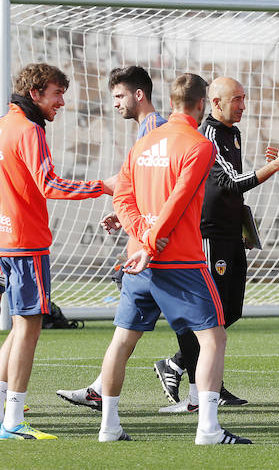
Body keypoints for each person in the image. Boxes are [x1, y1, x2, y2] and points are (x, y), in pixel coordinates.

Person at [97, 73, 250, 444]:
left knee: (122, 341)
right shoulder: (199, 144)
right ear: (201, 105)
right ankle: (208, 429)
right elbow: (178, 202)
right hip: (177, 260)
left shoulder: (144, 142)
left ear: (171, 102)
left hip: (140, 260)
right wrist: (151, 243)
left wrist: (139, 234)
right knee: (213, 339)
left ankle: (108, 427)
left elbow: (122, 197)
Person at [153, 77, 279, 412]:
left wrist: (268, 165)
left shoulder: (232, 133)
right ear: (214, 102)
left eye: (244, 98)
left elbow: (232, 184)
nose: (243, 105)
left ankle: (176, 363)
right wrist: (275, 166)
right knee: (209, 315)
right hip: (208, 236)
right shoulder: (206, 135)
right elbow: (230, 184)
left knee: (230, 309)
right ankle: (207, 388)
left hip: (232, 233)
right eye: (236, 99)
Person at [0, 63, 113, 440]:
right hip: (25, 244)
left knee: (18, 327)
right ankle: (13, 420)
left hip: (4, 240)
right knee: (29, 327)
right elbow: (50, 185)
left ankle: (6, 411)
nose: (61, 102)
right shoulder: (29, 130)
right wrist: (104, 185)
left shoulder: (4, 124)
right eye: (56, 93)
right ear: (35, 94)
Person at [56, 66, 167, 411]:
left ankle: (202, 399)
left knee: (208, 329)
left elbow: (166, 188)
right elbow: (140, 184)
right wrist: (124, 214)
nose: (115, 104)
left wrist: (148, 231)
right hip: (150, 244)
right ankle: (101, 391)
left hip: (162, 249)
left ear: (139, 95)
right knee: (140, 328)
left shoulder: (157, 131)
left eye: (119, 96)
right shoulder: (147, 132)